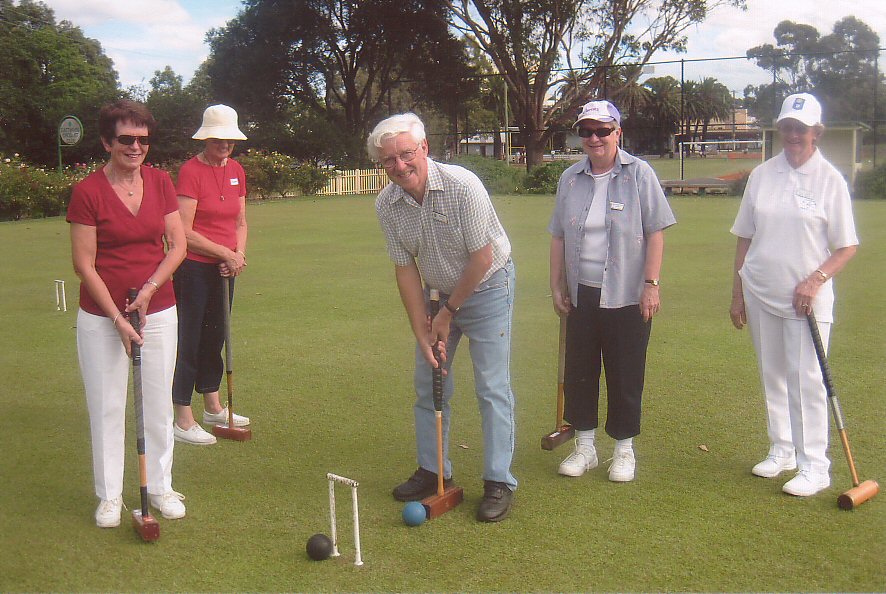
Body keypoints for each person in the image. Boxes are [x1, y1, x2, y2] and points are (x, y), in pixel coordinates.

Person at [368, 113, 517, 522]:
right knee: (427, 380)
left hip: (487, 285)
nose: (399, 166)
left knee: (491, 385)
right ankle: (434, 470)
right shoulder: (387, 204)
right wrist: (422, 329)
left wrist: (448, 314)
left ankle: (498, 480)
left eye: (406, 154)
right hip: (437, 295)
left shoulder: (462, 186)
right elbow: (404, 268)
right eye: (389, 160)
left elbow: (482, 257)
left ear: (424, 149)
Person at [730, 93, 858, 497]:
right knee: (774, 376)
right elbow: (745, 237)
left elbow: (846, 246)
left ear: (816, 132)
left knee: (807, 381)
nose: (793, 134)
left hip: (805, 301)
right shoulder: (762, 175)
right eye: (787, 126)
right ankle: (782, 449)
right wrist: (738, 294)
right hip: (760, 290)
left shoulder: (829, 180)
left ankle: (815, 466)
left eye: (801, 128)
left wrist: (815, 279)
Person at [67, 99, 187, 527]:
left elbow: (179, 245)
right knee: (107, 405)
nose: (135, 147)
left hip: (157, 310)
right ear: (107, 141)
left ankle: (160, 485)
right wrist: (118, 318)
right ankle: (109, 495)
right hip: (101, 317)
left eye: (142, 139)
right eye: (125, 139)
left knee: (157, 402)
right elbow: (84, 263)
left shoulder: (159, 183)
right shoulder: (88, 191)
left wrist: (149, 292)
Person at [549, 100, 676, 482]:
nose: (594, 138)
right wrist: (556, 284)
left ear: (618, 133)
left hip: (627, 294)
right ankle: (584, 447)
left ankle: (623, 450)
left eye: (602, 130)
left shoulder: (640, 174)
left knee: (625, 374)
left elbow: (656, 231)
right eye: (586, 131)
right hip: (582, 293)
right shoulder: (569, 178)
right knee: (580, 372)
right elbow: (558, 235)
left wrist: (651, 285)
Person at [171, 105, 251, 445]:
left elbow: (239, 222)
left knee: (216, 336)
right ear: (206, 138)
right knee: (189, 339)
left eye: (230, 139)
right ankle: (182, 416)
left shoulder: (236, 170)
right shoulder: (190, 171)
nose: (225, 145)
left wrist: (237, 256)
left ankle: (213, 405)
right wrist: (224, 253)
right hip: (192, 268)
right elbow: (183, 231)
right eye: (218, 138)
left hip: (224, 268)